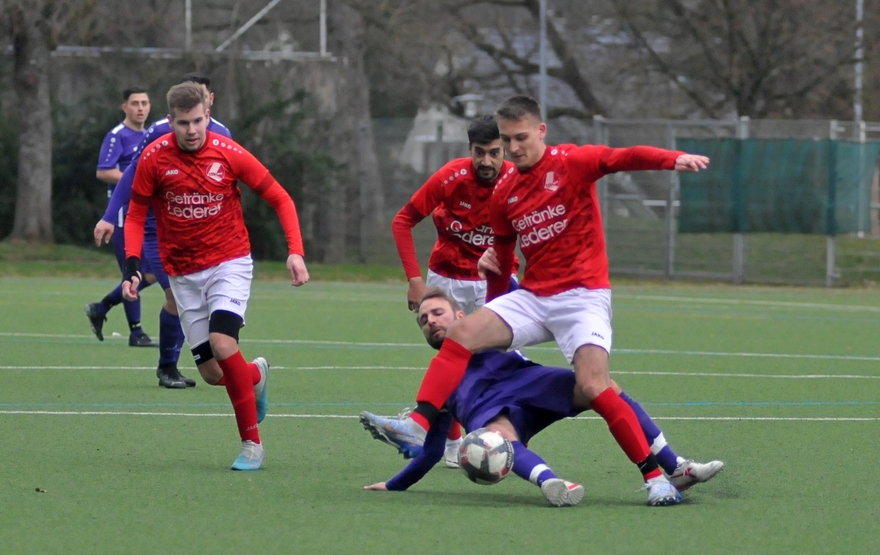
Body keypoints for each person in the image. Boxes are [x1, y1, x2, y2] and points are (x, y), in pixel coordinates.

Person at [367, 95, 711, 506]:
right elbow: (501, 273)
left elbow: (623, 157)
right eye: (507, 140)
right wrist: (494, 266)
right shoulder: (505, 192)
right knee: (461, 332)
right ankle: (420, 425)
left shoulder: (570, 162)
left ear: (541, 131)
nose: (513, 149)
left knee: (595, 386)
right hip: (534, 296)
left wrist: (672, 159)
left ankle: (657, 476)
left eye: (520, 138)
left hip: (582, 296)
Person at [361, 289, 723, 506]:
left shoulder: (488, 331)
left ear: (460, 315)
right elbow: (432, 450)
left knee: (604, 388)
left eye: (437, 313)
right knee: (496, 438)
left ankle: (676, 467)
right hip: (491, 414)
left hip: (531, 383)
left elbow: (523, 299)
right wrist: (394, 485)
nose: (430, 321)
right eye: (423, 320)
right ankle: (552, 482)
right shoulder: (440, 377)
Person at [121, 82, 309, 470]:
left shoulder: (228, 153)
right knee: (211, 373)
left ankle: (251, 445)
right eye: (183, 123)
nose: (192, 130)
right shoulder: (154, 158)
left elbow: (280, 197)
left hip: (229, 263)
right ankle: (255, 375)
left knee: (224, 345)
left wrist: (295, 251)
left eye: (198, 121)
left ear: (208, 113)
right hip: (183, 274)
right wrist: (133, 264)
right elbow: (137, 213)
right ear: (170, 121)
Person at [391, 115, 520, 467]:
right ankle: (452, 442)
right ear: (470, 150)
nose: (487, 161)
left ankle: (501, 435)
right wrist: (415, 280)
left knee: (500, 360)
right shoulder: (451, 177)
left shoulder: (517, 179)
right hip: (444, 280)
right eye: (480, 152)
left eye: (495, 153)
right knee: (453, 357)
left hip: (493, 282)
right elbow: (402, 221)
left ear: (505, 150)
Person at [93, 73, 232, 389]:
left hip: (199, 234)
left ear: (210, 102)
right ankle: (169, 367)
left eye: (205, 98)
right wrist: (108, 215)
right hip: (159, 230)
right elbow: (132, 172)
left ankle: (188, 363)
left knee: (197, 299)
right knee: (177, 296)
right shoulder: (158, 132)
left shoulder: (223, 135)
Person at [86, 86, 157, 348]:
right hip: (122, 217)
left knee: (150, 272)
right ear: (124, 107)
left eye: (145, 102)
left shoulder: (153, 134)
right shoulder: (117, 136)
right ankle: (136, 332)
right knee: (135, 271)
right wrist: (137, 180)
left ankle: (101, 307)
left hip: (148, 215)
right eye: (135, 103)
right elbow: (104, 171)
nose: (140, 107)